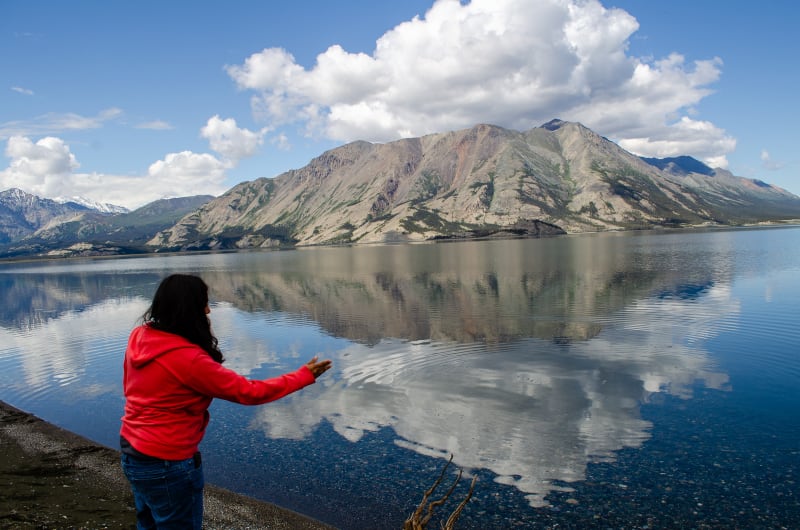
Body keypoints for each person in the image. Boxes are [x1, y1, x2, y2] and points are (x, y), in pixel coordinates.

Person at [119, 273, 331, 529]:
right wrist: (303, 376)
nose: (208, 310)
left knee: (149, 523)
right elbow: (248, 392)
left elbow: (130, 385)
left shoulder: (141, 337)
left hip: (132, 450)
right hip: (167, 461)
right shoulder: (188, 359)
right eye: (203, 303)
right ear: (188, 308)